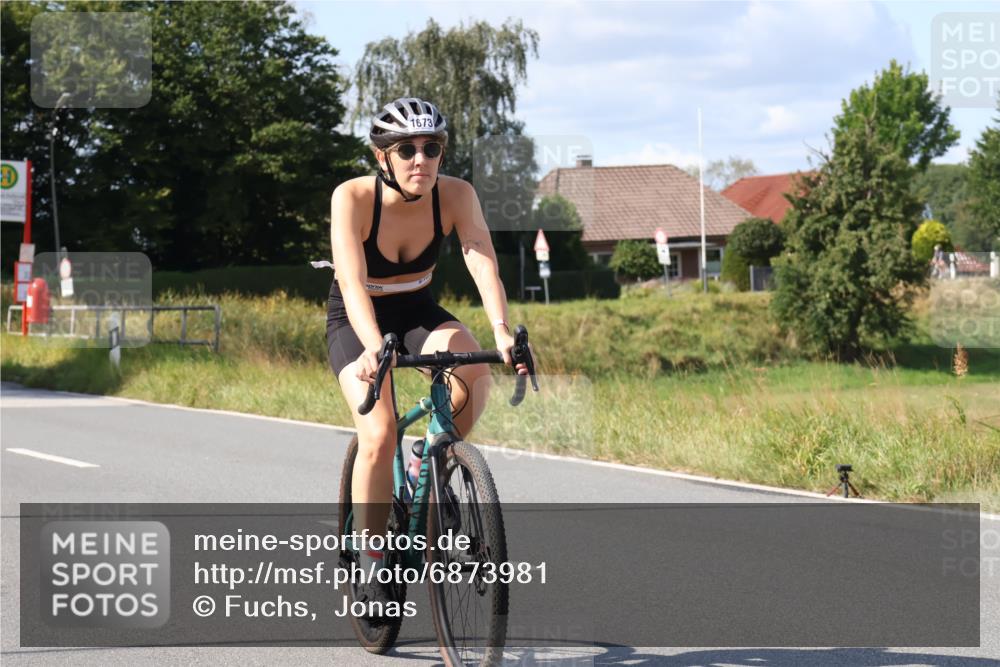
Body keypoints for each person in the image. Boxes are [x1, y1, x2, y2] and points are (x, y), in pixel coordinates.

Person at [325, 97, 528, 612]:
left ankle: (428, 463)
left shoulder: (456, 195)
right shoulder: (352, 198)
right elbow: (351, 283)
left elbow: (481, 259)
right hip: (356, 319)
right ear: (382, 157)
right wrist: (374, 348)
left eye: (432, 148)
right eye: (408, 149)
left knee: (474, 368)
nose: (421, 160)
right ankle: (372, 563)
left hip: (416, 310)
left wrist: (501, 332)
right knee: (379, 429)